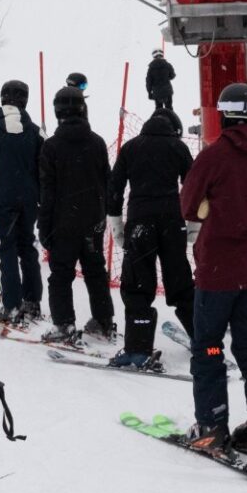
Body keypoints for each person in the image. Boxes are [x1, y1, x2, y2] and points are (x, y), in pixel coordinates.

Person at [179, 83, 247, 458]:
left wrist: (211, 207)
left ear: (223, 113)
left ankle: (212, 424)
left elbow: (189, 206)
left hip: (219, 266)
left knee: (208, 345)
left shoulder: (215, 155)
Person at [106, 108, 196, 370]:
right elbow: (192, 186)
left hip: (140, 221)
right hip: (172, 220)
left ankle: (137, 348)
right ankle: (205, 342)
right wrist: (192, 224)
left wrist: (116, 223)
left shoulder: (132, 147)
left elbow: (115, 186)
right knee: (180, 283)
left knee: (137, 285)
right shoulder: (177, 147)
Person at [38, 86, 115, 343]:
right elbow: (107, 182)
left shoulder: (52, 147)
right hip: (93, 220)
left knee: (61, 274)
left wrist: (44, 226)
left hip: (64, 222)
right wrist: (102, 217)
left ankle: (64, 325)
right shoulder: (97, 142)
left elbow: (47, 192)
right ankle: (104, 321)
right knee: (95, 272)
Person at [0, 81, 43, 324]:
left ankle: (11, 305)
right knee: (27, 246)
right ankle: (32, 301)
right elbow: (46, 167)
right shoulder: (36, 131)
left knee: (6, 249)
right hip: (29, 200)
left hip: (4, 199)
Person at [146, 49, 177, 113]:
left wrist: (149, 92)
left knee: (158, 109)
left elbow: (149, 82)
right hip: (167, 91)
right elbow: (172, 76)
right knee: (169, 109)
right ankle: (170, 122)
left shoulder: (151, 68)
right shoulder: (167, 65)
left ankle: (159, 121)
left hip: (157, 93)